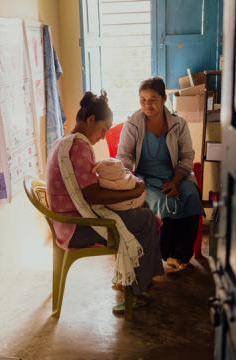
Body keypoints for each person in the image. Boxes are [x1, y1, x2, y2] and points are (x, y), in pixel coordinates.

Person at [46, 91, 164, 314]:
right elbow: (93, 196)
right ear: (90, 120)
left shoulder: (64, 142)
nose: (103, 136)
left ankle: (132, 278)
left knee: (143, 211)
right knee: (146, 218)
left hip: (67, 221)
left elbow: (88, 186)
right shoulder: (79, 146)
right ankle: (136, 291)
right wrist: (131, 193)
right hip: (75, 228)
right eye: (103, 129)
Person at [117, 77, 203, 271]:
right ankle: (165, 252)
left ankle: (180, 255)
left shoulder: (178, 124)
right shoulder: (132, 125)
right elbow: (123, 157)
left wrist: (176, 181)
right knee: (163, 201)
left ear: (164, 98)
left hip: (175, 174)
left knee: (190, 194)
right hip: (143, 178)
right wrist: (132, 180)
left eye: (153, 99)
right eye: (142, 100)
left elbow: (187, 157)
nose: (147, 104)